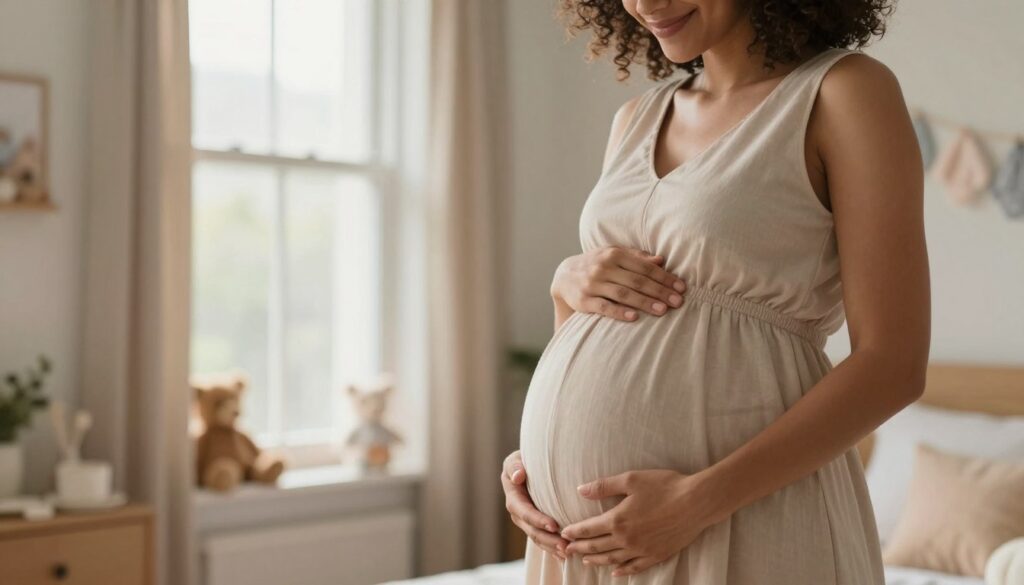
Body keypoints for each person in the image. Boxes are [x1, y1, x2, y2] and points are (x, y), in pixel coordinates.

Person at [501, 0, 930, 583]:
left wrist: (696, 502)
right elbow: (598, 331)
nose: (646, 4)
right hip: (586, 546)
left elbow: (894, 364)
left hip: (739, 515)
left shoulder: (843, 93)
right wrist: (537, 460)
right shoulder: (635, 118)